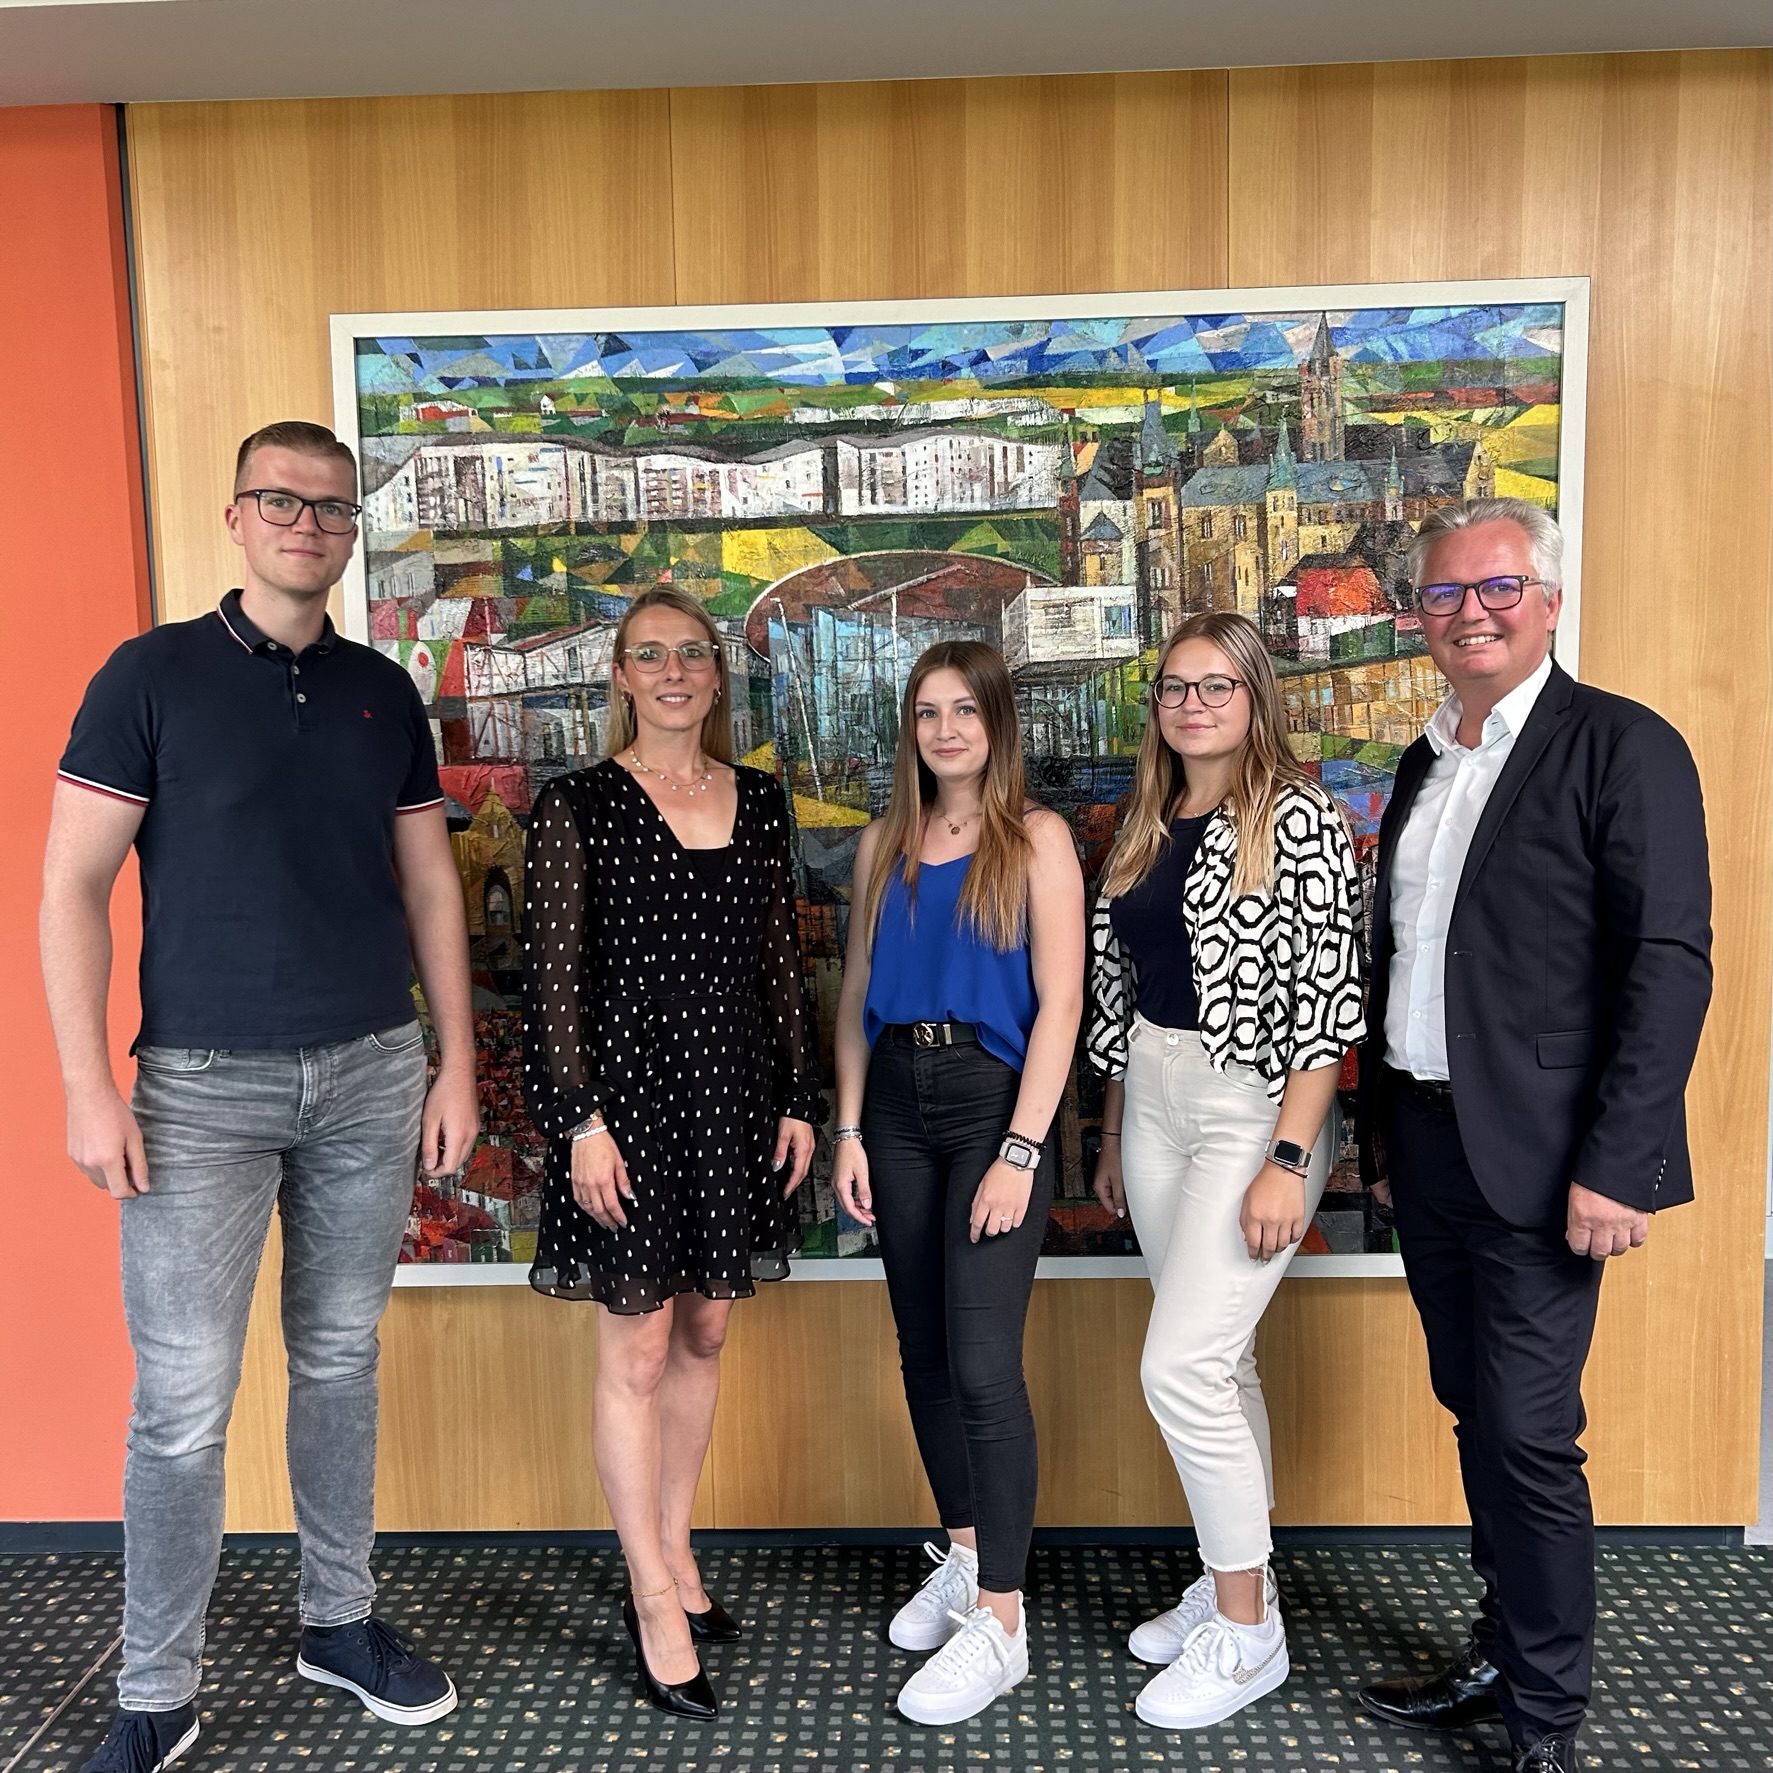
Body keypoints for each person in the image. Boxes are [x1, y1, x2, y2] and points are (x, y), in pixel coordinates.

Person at [42, 421, 481, 1773]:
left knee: (339, 1359)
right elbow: (70, 886)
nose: (308, 524)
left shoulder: (381, 693)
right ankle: (155, 1691)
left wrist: (455, 1061)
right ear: (236, 517)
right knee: (181, 1402)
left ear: (352, 532)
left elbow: (429, 885)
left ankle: (336, 1621)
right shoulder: (150, 676)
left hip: (369, 1071)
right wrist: (87, 1085)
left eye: (332, 508)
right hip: (197, 1089)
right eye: (282, 502)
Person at [1353, 498, 1712, 1773]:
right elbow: (1415, 958)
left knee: (1527, 1434)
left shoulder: (1623, 746)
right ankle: (1504, 1648)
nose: (1473, 613)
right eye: (1446, 594)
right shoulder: (1423, 763)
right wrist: (1380, 1141)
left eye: (1499, 587)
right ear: (1421, 618)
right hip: (1428, 1142)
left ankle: (1545, 1721)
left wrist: (1621, 1167)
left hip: (1552, 1162)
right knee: (1475, 1410)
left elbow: (1669, 965)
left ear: (1550, 601)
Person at [520, 586, 822, 1721]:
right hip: (628, 1112)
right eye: (650, 655)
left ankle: (678, 1546)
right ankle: (649, 1593)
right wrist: (579, 1123)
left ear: (715, 672)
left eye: (692, 652)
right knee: (638, 1352)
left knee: (705, 1330)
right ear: (621, 676)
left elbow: (779, 959)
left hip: (733, 1100)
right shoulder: (578, 804)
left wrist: (797, 1098)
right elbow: (552, 990)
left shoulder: (759, 799)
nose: (675, 671)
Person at [1085, 611, 1365, 1730]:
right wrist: (1113, 1125)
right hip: (1154, 1098)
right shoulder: (1148, 817)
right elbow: (1123, 988)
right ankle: (1230, 1575)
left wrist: (1289, 1159)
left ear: (1255, 697)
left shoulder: (1295, 817)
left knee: (1181, 1369)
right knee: (1221, 1359)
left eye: (1216, 685)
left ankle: (1248, 1635)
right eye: (1174, 686)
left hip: (1255, 1104)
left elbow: (1327, 1002)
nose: (1192, 704)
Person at [830, 641, 1084, 1727]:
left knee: (983, 1366)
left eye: (964, 711)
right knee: (925, 1355)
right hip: (894, 1100)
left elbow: (1062, 1005)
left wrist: (1022, 1150)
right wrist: (847, 1128)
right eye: (927, 712)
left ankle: (1003, 1622)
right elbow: (854, 994)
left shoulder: (1037, 839)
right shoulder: (883, 844)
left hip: (990, 1102)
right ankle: (967, 1554)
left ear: (995, 724)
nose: (945, 730)